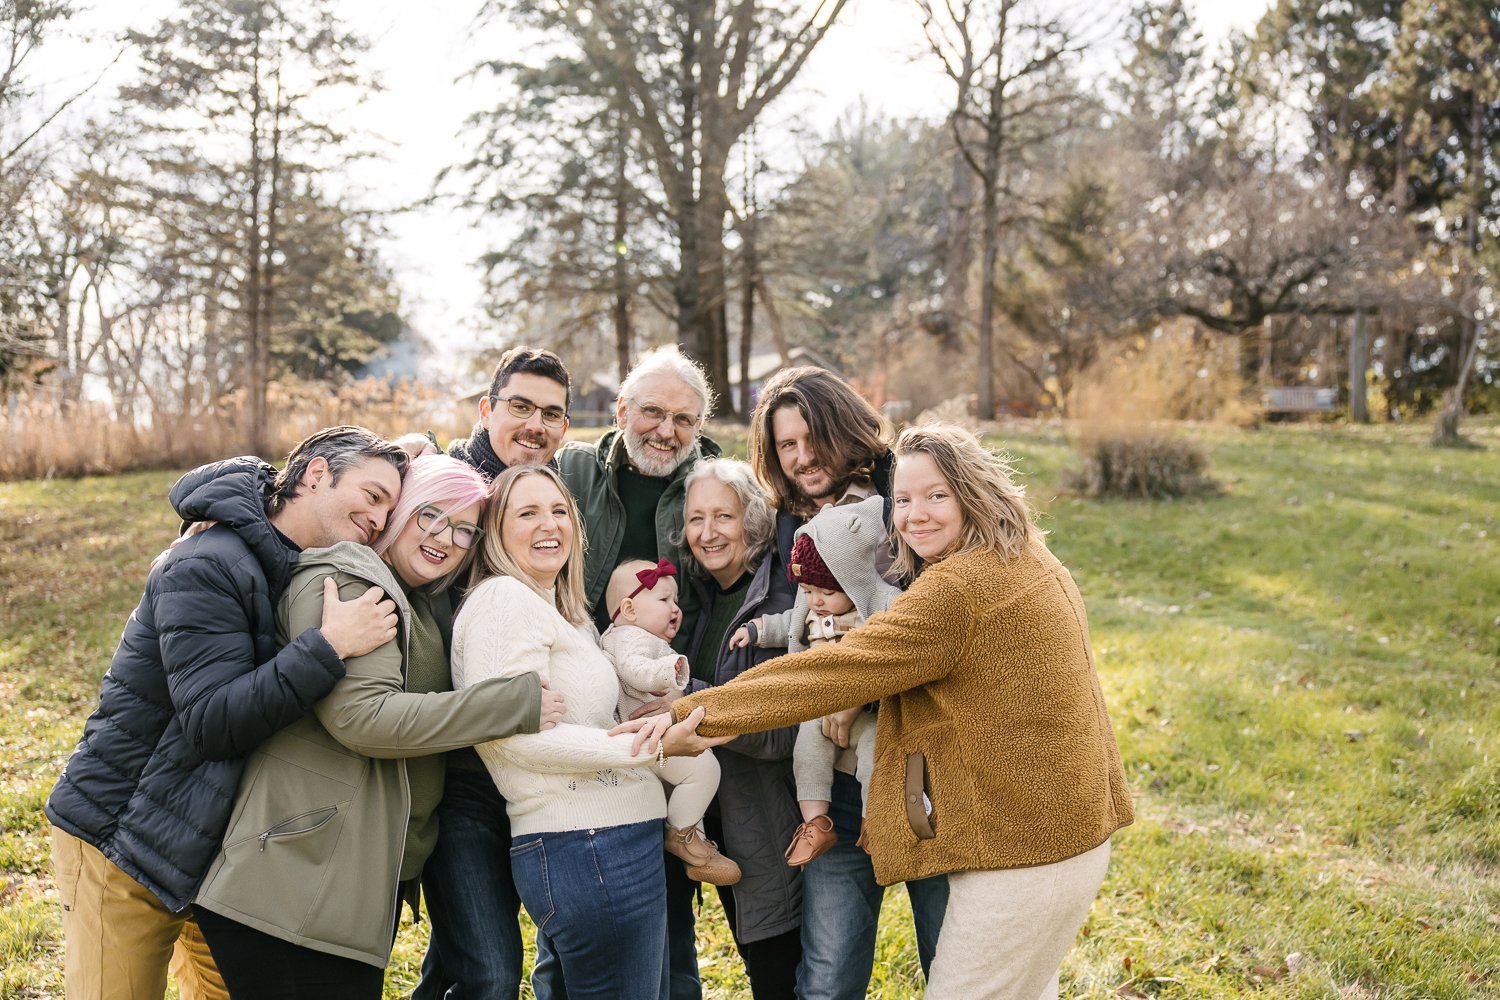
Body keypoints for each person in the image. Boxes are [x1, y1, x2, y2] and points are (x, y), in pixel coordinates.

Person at [636, 424, 1136, 1000]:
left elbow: (825, 674)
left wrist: (685, 715)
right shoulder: (1023, 556)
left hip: (1024, 851)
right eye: (902, 499)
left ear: (975, 492)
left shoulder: (961, 589)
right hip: (1064, 831)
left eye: (936, 496)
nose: (914, 516)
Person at [45, 426, 410, 1000]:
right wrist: (328, 647)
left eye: (390, 506)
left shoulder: (286, 559)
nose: (380, 517)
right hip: (122, 840)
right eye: (371, 495)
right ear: (315, 473)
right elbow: (213, 722)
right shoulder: (208, 561)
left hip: (210, 853)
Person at [189, 455, 564, 997]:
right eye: (430, 515)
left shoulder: (414, 599)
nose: (445, 537)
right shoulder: (350, 582)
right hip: (292, 884)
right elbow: (362, 719)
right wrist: (510, 704)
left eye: (464, 529)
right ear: (400, 511)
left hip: (342, 885)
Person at [450, 464, 712, 1000]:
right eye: (527, 513)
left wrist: (645, 714)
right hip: (587, 846)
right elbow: (515, 741)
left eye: (558, 511)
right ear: (496, 530)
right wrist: (654, 746)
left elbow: (587, 719)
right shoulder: (502, 602)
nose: (549, 524)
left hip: (621, 837)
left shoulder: (567, 613)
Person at [745, 366, 948, 998]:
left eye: (814, 438)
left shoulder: (905, 505)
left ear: (845, 428)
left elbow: (942, 627)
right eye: (786, 445)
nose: (803, 458)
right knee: (830, 976)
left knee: (955, 964)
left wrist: (857, 686)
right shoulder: (783, 523)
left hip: (923, 771)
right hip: (833, 788)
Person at [557, 344, 720, 997]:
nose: (666, 431)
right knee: (581, 889)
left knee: (667, 885)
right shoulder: (573, 468)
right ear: (622, 409)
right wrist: (420, 449)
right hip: (586, 706)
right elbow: (495, 477)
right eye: (652, 412)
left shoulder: (716, 478)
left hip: (669, 698)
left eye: (684, 419)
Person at [413, 346, 575, 1000]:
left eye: (551, 413)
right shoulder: (441, 484)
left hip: (536, 765)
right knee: (487, 970)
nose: (535, 424)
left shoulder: (557, 496)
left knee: (463, 962)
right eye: (520, 407)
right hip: (458, 769)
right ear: (487, 409)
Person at [672, 460, 803, 999]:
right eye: (696, 518)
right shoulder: (699, 597)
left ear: (752, 521)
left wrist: (683, 697)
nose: (707, 533)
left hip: (771, 825)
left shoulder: (779, 602)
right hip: (722, 822)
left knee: (779, 977)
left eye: (723, 516)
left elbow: (787, 728)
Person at [729, 496, 899, 867]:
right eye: (808, 591)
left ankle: (877, 821)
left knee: (876, 754)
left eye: (826, 592)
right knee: (807, 751)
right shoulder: (809, 606)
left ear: (852, 580)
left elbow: (900, 650)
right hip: (818, 708)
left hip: (868, 713)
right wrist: (756, 630)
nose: (815, 601)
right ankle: (815, 824)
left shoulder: (883, 605)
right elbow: (787, 622)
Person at [600, 559, 740, 886]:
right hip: (648, 737)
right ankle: (682, 838)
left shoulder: (628, 635)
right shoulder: (632, 637)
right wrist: (670, 670)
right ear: (629, 609)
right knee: (704, 769)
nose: (675, 608)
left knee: (687, 782)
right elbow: (635, 670)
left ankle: (695, 844)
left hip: (647, 740)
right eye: (664, 600)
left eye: (676, 600)